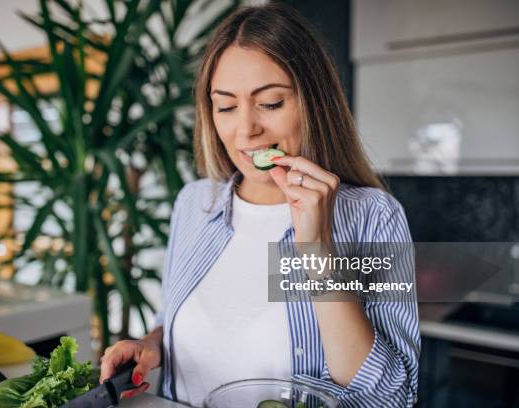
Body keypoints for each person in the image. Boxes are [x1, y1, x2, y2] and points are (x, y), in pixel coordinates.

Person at [100, 4, 419, 407]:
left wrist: (316, 249)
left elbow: (391, 397)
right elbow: (177, 321)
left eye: (270, 103)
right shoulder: (195, 203)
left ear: (313, 103)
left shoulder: (373, 216)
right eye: (226, 106)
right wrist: (151, 344)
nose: (246, 129)